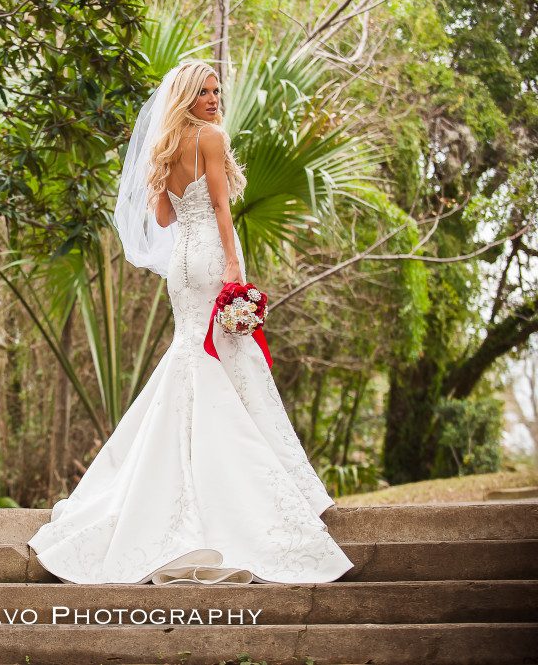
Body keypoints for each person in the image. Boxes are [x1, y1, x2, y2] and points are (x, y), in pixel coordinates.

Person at [26, 60, 355, 585]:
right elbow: (222, 209)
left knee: (194, 353)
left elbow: (161, 218)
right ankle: (253, 480)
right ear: (185, 95)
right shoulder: (211, 137)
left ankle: (178, 470)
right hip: (208, 257)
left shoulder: (165, 143)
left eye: (216, 90)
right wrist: (232, 266)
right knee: (225, 356)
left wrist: (169, 183)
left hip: (180, 262)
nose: (212, 98)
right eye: (203, 91)